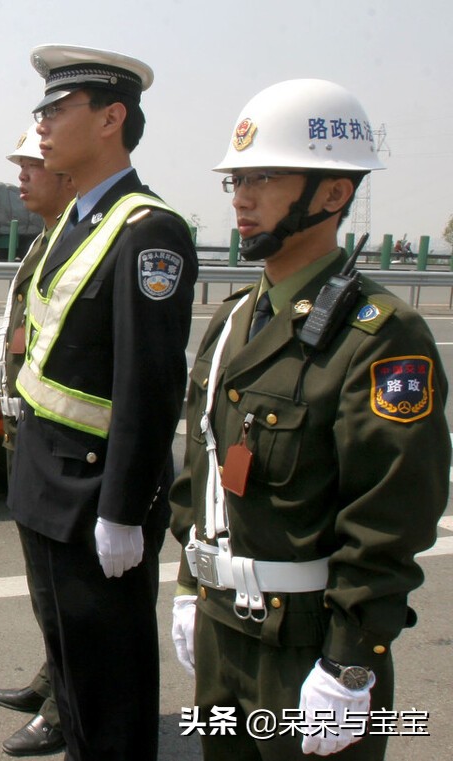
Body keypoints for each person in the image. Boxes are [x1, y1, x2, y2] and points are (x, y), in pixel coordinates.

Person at [168, 79, 450, 760]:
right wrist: (188, 583)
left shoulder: (380, 334)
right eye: (237, 177)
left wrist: (352, 661)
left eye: (264, 176)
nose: (241, 195)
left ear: (332, 194)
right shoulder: (233, 318)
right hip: (221, 632)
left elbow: (391, 513)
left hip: (309, 648)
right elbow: (204, 472)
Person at [7, 44, 198, 760]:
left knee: (110, 693)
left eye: (58, 109)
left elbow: (151, 384)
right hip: (45, 483)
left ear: (112, 117)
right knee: (73, 679)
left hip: (94, 498)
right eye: (42, 110)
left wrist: (123, 511)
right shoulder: (75, 221)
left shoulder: (149, 230)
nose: (43, 125)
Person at [0, 123, 76, 757]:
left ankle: (66, 707)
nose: (22, 174)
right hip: (29, 431)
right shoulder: (45, 242)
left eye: (31, 163)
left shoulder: (78, 245)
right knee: (42, 583)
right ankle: (55, 674)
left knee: (66, 590)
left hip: (66, 447)